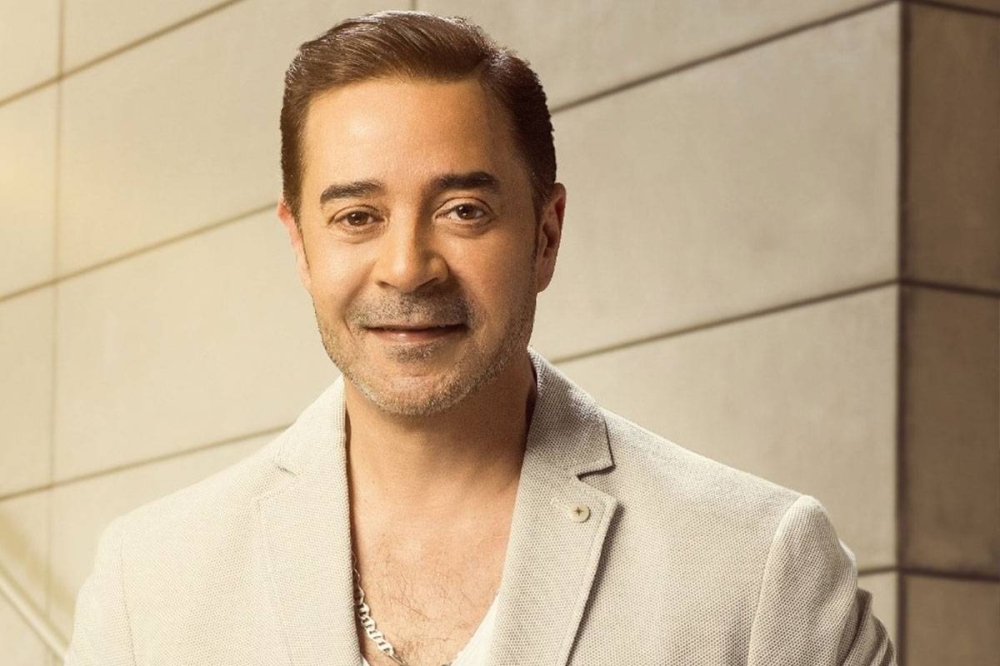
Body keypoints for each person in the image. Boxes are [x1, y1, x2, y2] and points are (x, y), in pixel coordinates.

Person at [65, 10, 896, 666]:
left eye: (464, 211)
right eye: (357, 216)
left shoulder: (758, 568)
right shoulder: (149, 588)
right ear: (300, 245)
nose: (407, 267)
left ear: (545, 234)